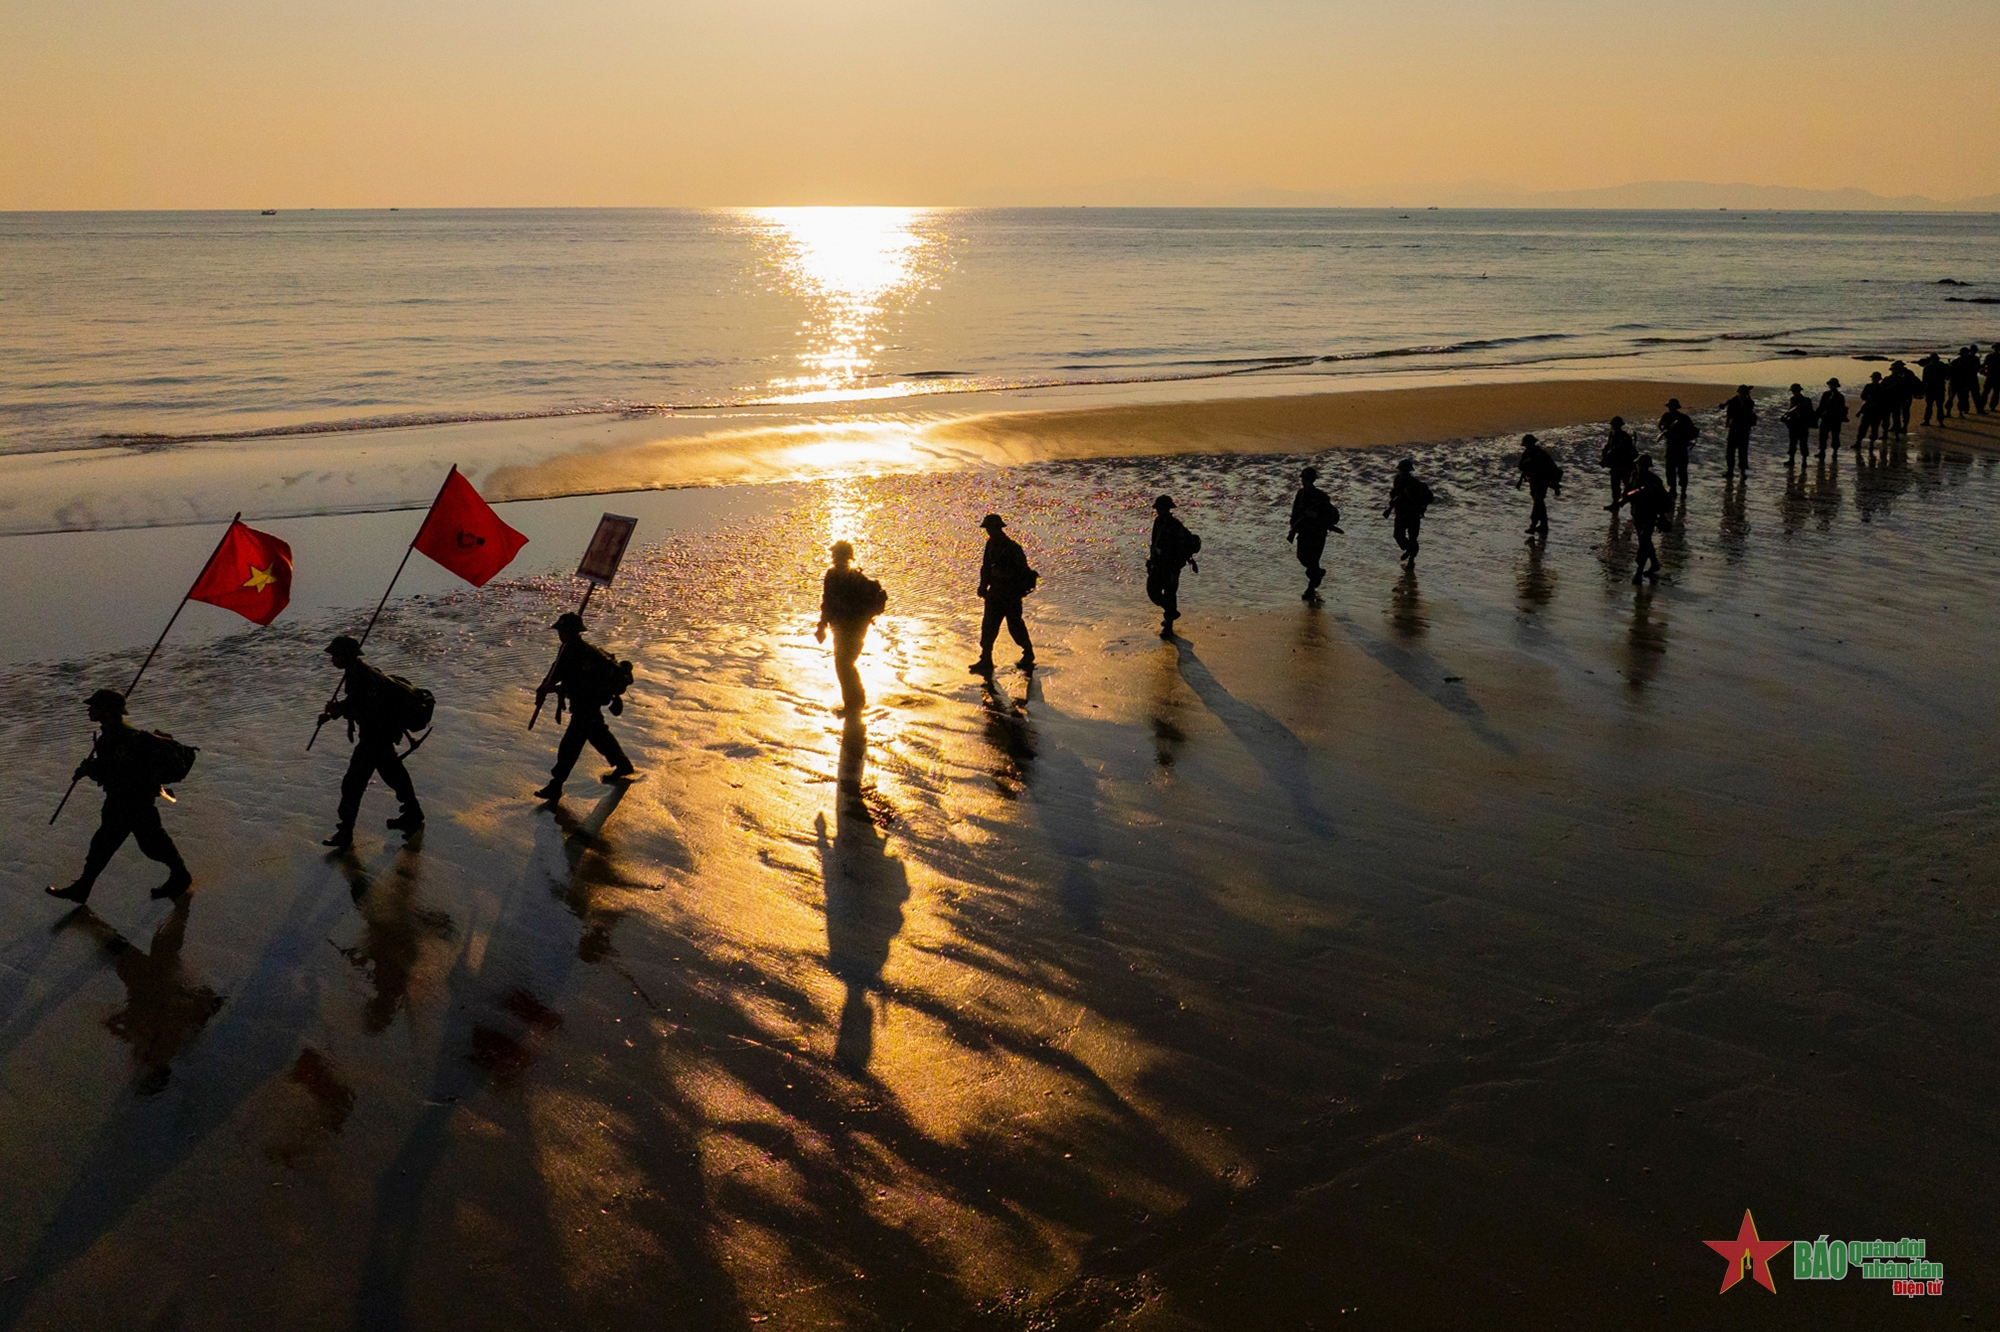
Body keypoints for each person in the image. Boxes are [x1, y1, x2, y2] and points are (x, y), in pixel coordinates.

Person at [47, 689, 192, 903]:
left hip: (134, 803)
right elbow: (113, 767)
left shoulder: (126, 738)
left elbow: (120, 772)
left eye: (94, 706)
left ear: (106, 712)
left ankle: (181, 876)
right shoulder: (110, 736)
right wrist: (92, 767)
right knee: (103, 846)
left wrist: (90, 770)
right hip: (120, 802)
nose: (89, 710)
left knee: (152, 844)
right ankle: (82, 888)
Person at [318, 635, 424, 849]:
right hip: (376, 736)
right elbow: (357, 703)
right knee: (393, 775)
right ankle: (413, 813)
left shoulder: (365, 677)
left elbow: (368, 707)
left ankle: (345, 833)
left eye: (335, 655)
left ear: (346, 656)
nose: (332, 660)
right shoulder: (355, 673)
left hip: (376, 737)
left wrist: (340, 709)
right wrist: (334, 714)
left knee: (352, 784)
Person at [533, 612, 636, 799]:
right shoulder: (566, 649)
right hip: (582, 705)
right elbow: (556, 671)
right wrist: (543, 688)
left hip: (587, 704)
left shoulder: (587, 655)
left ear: (572, 632)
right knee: (598, 735)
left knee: (570, 745)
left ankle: (556, 785)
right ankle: (623, 764)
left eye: (563, 631)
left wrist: (555, 689)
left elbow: (581, 684)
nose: (560, 634)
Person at [815, 541, 886, 715]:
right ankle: (855, 703)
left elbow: (833, 604)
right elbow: (827, 602)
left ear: (845, 557)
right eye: (833, 555)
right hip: (840, 628)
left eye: (837, 554)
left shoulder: (855, 579)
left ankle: (855, 704)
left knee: (844, 664)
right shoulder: (831, 575)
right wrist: (821, 626)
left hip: (854, 628)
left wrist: (825, 624)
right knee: (843, 664)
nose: (834, 558)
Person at [970, 513, 1036, 672]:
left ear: (998, 528)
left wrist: (1016, 590)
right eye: (987, 529)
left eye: (990, 528)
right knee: (988, 627)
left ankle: (1028, 653)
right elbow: (985, 567)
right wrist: (982, 586)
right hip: (994, 594)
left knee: (1015, 626)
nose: (988, 532)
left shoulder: (1013, 548)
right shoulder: (990, 545)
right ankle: (985, 659)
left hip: (1011, 595)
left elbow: (1022, 572)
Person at [1146, 496, 1200, 636]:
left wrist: (1176, 563)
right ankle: (1171, 612)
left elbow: (1181, 546)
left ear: (1167, 509)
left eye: (1160, 508)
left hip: (1172, 566)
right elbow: (1154, 543)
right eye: (1157, 508)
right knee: (1153, 592)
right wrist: (1151, 561)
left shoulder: (1175, 525)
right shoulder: (1158, 522)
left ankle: (1168, 625)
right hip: (1159, 564)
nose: (1158, 511)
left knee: (1170, 593)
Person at [1286, 466, 1342, 600]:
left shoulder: (1321, 497)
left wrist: (1315, 516)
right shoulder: (1300, 494)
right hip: (1304, 532)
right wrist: (1293, 528)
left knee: (1313, 561)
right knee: (1302, 558)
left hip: (1317, 533)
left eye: (1307, 480)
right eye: (1304, 479)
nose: (1305, 482)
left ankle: (1310, 589)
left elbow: (1331, 516)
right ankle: (1318, 575)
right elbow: (1295, 513)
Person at [1623, 455, 1670, 585]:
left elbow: (1663, 501)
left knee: (1643, 543)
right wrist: (1623, 498)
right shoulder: (1634, 476)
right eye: (1638, 465)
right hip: (1637, 515)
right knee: (1645, 541)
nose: (1639, 467)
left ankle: (1638, 572)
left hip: (1650, 515)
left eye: (1641, 465)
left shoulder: (1654, 481)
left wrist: (1662, 517)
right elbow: (1627, 489)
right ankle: (1654, 564)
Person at [1384, 459, 1434, 567]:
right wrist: (1390, 508)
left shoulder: (1414, 484)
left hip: (1413, 515)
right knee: (1398, 536)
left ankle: (1411, 560)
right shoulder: (1397, 480)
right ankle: (1410, 550)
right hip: (1401, 514)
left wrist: (1408, 496)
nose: (1403, 473)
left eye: (1405, 471)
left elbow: (1415, 499)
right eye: (1402, 470)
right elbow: (1395, 495)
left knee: (1413, 539)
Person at [1514, 434, 1562, 535]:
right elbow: (1520, 466)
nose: (1527, 447)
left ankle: (1533, 525)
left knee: (1538, 502)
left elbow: (1552, 468)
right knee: (1539, 502)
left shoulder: (1540, 454)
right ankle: (1543, 525)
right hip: (1534, 481)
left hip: (1542, 481)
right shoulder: (1528, 453)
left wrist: (1555, 485)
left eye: (1528, 445)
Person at [1657, 398, 1699, 502]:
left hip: (1681, 447)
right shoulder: (1666, 416)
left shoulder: (1684, 418)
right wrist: (1665, 428)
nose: (1671, 408)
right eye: (1670, 406)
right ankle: (1673, 489)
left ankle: (1683, 490)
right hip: (1670, 447)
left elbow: (1693, 431)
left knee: (1682, 471)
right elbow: (1661, 426)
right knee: (1670, 470)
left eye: (1672, 406)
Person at [1718, 385, 1757, 478]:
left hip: (1736, 429)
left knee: (1733, 451)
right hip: (1742, 430)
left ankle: (1732, 472)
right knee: (1741, 451)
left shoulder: (1739, 402)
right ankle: (1741, 472)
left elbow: (1730, 414)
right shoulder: (1748, 402)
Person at [1600, 417, 1637, 511]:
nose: (1613, 427)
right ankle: (1615, 504)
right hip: (1615, 465)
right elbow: (1609, 446)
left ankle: (1634, 504)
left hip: (1624, 465)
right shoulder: (1612, 434)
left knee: (1628, 485)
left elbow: (1617, 449)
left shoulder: (1624, 437)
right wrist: (1604, 455)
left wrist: (1606, 458)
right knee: (1615, 486)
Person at [1780, 384, 1816, 463]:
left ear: (1799, 391)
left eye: (1795, 391)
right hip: (1793, 425)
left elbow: (1810, 413)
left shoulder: (1806, 401)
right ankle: (1791, 459)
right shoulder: (1793, 399)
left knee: (1803, 443)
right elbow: (1790, 411)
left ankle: (1804, 461)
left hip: (1803, 425)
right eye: (1793, 391)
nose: (1794, 393)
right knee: (1792, 443)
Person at [1817, 378, 1848, 455]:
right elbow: (1821, 407)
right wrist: (1816, 415)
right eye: (1830, 384)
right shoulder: (1825, 394)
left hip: (1835, 419)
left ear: (1836, 386)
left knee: (1835, 436)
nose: (1831, 386)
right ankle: (1822, 451)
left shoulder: (1840, 397)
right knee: (1822, 436)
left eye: (1833, 384)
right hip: (1826, 418)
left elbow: (1842, 409)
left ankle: (1835, 451)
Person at [1950, 346, 1983, 417]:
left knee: (1975, 394)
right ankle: (1966, 409)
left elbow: (1977, 368)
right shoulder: (1964, 360)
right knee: (1965, 395)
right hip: (1966, 379)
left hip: (1971, 379)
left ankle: (1978, 409)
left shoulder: (1973, 359)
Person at [1920, 354, 1950, 425]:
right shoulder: (1928, 368)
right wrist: (1923, 390)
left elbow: (1947, 376)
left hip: (1939, 388)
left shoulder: (1940, 367)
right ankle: (1927, 420)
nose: (1933, 360)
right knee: (1929, 405)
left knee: (1939, 406)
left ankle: (1940, 421)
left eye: (1934, 359)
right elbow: (1924, 380)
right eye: (1932, 359)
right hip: (1931, 389)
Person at [1983, 343, 2000, 411]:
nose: (1996, 349)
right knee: (1985, 392)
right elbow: (1984, 365)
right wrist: (1986, 371)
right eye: (1995, 348)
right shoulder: (1989, 356)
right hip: (1990, 376)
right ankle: (1982, 406)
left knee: (1996, 393)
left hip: (1998, 377)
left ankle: (1992, 407)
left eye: (1998, 348)